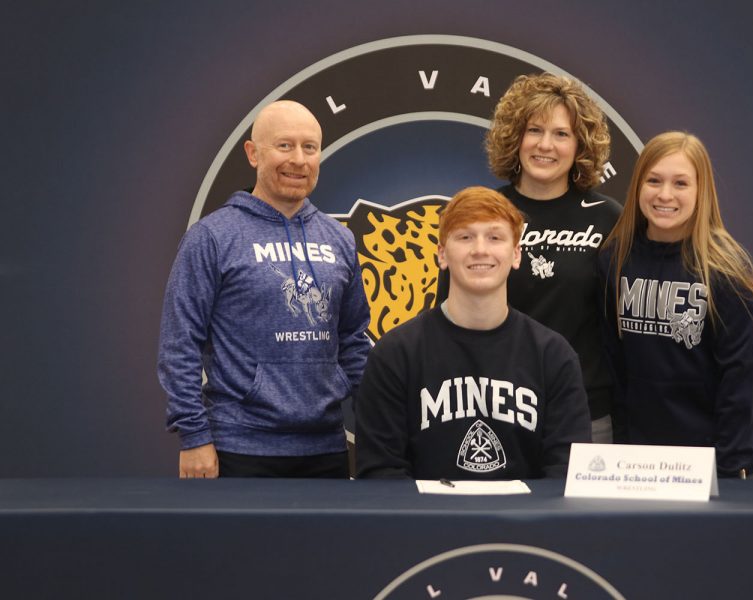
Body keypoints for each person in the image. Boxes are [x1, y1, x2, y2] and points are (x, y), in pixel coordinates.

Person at [158, 100, 371, 478]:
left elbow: (353, 340)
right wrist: (193, 437)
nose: (299, 160)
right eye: (284, 146)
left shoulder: (339, 239)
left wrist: (380, 419)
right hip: (239, 446)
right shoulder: (212, 237)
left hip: (327, 448)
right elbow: (180, 343)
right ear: (253, 153)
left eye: (310, 147)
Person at [355, 187, 591, 479]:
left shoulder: (554, 356)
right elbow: (381, 472)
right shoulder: (395, 355)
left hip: (522, 523)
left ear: (516, 254)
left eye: (495, 237)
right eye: (465, 237)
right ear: (442, 254)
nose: (480, 249)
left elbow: (565, 473)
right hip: (428, 522)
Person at [438, 72, 622, 443]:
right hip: (494, 408)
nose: (545, 145)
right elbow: (447, 315)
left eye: (561, 134)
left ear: (580, 144)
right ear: (515, 138)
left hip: (585, 413)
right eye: (534, 130)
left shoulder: (608, 219)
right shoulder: (483, 212)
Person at [598, 131, 753, 478]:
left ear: (701, 190)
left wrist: (729, 464)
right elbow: (615, 368)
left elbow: (740, 375)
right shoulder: (615, 261)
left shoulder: (725, 267)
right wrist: (622, 451)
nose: (665, 194)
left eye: (681, 183)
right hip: (643, 465)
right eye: (654, 181)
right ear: (637, 187)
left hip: (723, 462)